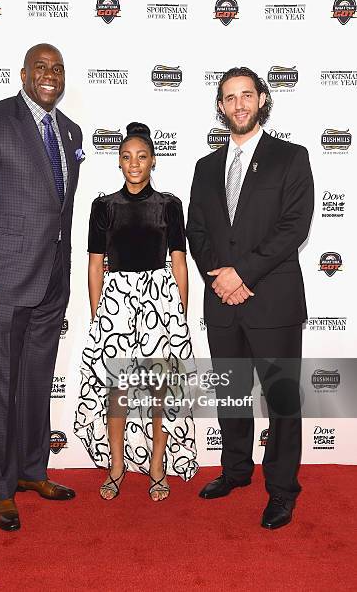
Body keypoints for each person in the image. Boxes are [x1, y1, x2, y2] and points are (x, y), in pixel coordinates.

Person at [0, 43, 83, 531]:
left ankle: (31, 472)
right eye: (41, 68)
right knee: (2, 384)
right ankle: (0, 489)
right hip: (3, 281)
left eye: (58, 69)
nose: (50, 76)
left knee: (36, 384)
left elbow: (59, 210)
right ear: (24, 74)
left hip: (52, 281)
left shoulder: (70, 131)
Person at [186, 67, 314, 529]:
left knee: (281, 401)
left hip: (272, 302)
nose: (238, 104)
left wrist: (243, 273)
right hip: (222, 303)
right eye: (229, 97)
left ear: (262, 99)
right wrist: (218, 278)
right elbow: (195, 232)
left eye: (246, 95)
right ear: (220, 106)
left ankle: (281, 489)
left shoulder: (291, 158)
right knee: (233, 396)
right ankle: (236, 470)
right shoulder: (204, 167)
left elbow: (293, 228)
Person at [74, 122, 198, 501]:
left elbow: (179, 263)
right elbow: (96, 265)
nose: (134, 163)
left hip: (160, 300)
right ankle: (116, 465)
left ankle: (158, 467)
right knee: (118, 390)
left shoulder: (170, 206)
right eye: (126, 157)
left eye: (141, 156)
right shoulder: (103, 207)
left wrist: (179, 315)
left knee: (160, 390)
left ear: (153, 161)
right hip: (116, 302)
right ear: (118, 162)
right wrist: (99, 318)